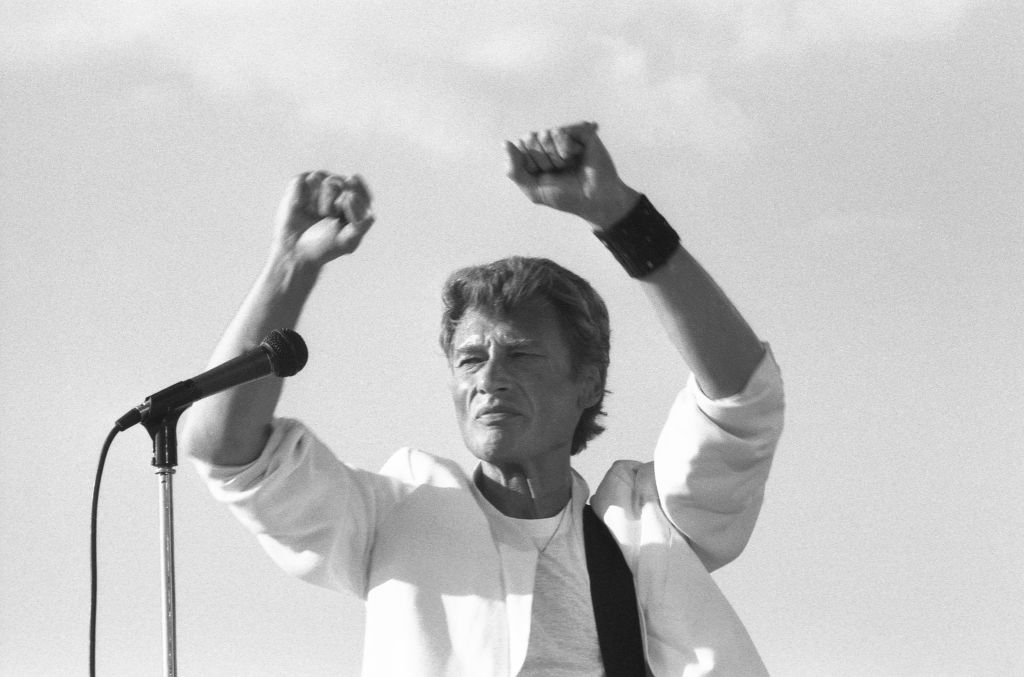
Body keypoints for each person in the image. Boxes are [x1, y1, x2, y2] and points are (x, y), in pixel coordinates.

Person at [182, 122, 784, 676]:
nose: (489, 378)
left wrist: (622, 216)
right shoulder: (397, 519)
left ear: (588, 383)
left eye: (520, 355)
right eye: (469, 359)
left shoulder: (652, 524)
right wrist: (291, 267)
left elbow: (741, 396)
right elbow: (226, 450)